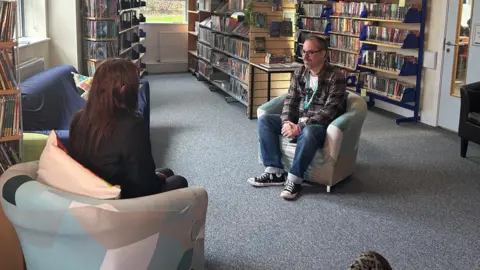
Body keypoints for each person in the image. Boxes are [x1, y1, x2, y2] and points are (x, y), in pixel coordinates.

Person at [69, 58, 188, 199]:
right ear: (125, 90)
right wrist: (158, 179)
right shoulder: (132, 126)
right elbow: (145, 184)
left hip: (92, 190)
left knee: (166, 171)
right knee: (179, 181)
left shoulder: (79, 117)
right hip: (122, 198)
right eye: (136, 85)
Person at [248, 35, 346, 200]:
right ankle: (274, 171)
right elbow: (290, 101)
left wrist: (300, 127)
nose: (305, 56)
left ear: (323, 54)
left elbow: (330, 111)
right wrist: (287, 121)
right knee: (265, 120)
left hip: (318, 125)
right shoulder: (300, 72)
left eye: (310, 52)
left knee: (308, 133)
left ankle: (294, 179)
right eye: (303, 51)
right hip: (296, 120)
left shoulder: (336, 77)